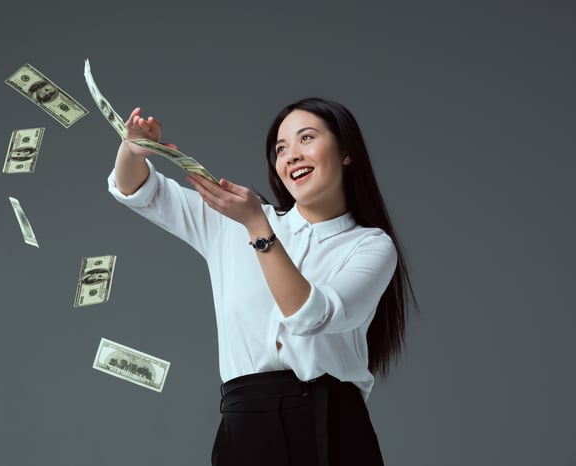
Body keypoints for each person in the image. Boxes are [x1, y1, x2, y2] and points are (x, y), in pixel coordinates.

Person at [107, 97, 415, 466]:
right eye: (281, 148)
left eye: (306, 139)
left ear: (346, 151)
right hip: (244, 423)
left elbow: (311, 315)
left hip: (333, 425)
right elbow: (140, 192)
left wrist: (257, 227)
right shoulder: (230, 222)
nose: (291, 155)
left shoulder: (370, 246)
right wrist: (132, 150)